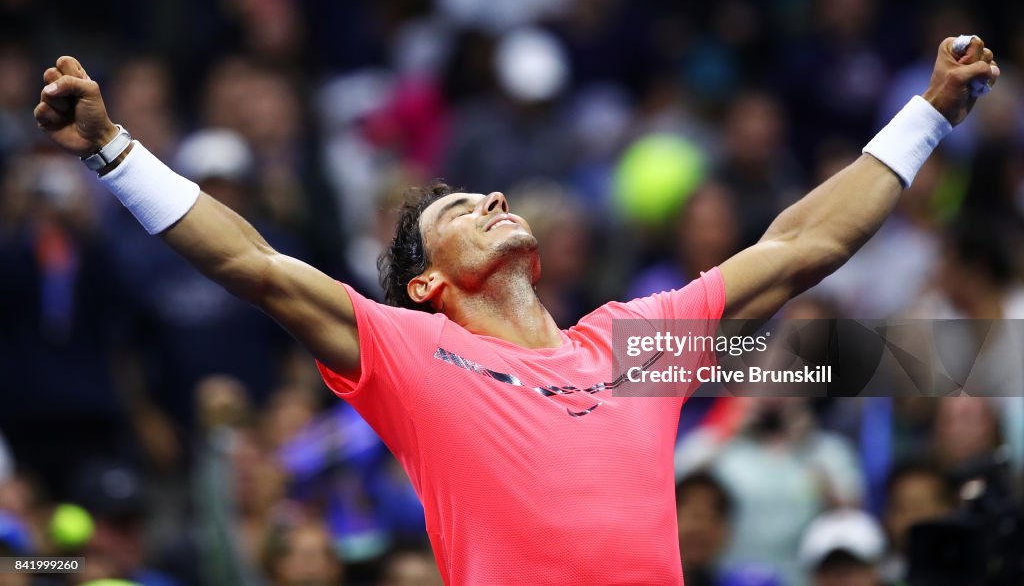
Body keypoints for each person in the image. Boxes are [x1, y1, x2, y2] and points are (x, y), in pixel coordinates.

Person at [32, 38, 998, 584]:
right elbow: (256, 264)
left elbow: (800, 248)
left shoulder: (632, 346)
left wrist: (928, 115)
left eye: (493, 197)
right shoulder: (411, 351)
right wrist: (113, 148)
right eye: (462, 207)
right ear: (426, 284)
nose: (495, 199)